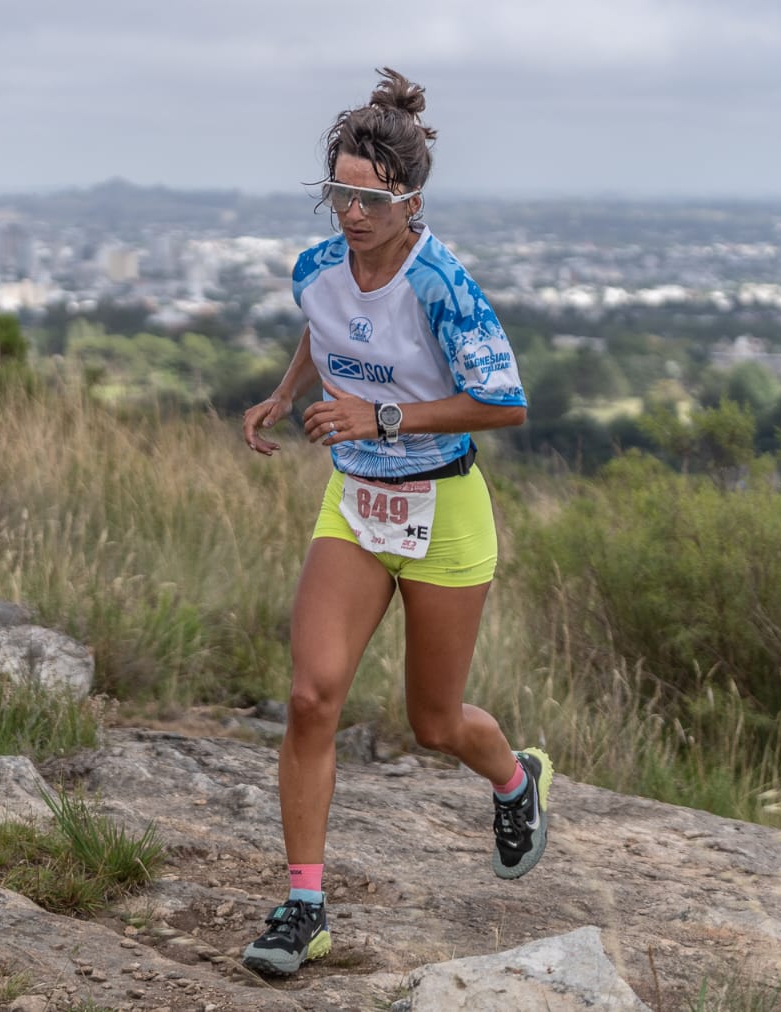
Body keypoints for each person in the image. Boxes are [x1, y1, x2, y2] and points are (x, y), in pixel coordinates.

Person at [238, 67, 551, 978]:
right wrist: (287, 390)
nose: (350, 213)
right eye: (338, 192)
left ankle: (513, 777)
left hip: (444, 506)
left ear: (412, 200)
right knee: (310, 696)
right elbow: (324, 324)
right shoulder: (317, 267)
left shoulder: (444, 286)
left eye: (369, 198)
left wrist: (383, 418)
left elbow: (505, 404)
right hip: (355, 501)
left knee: (435, 721)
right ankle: (304, 908)